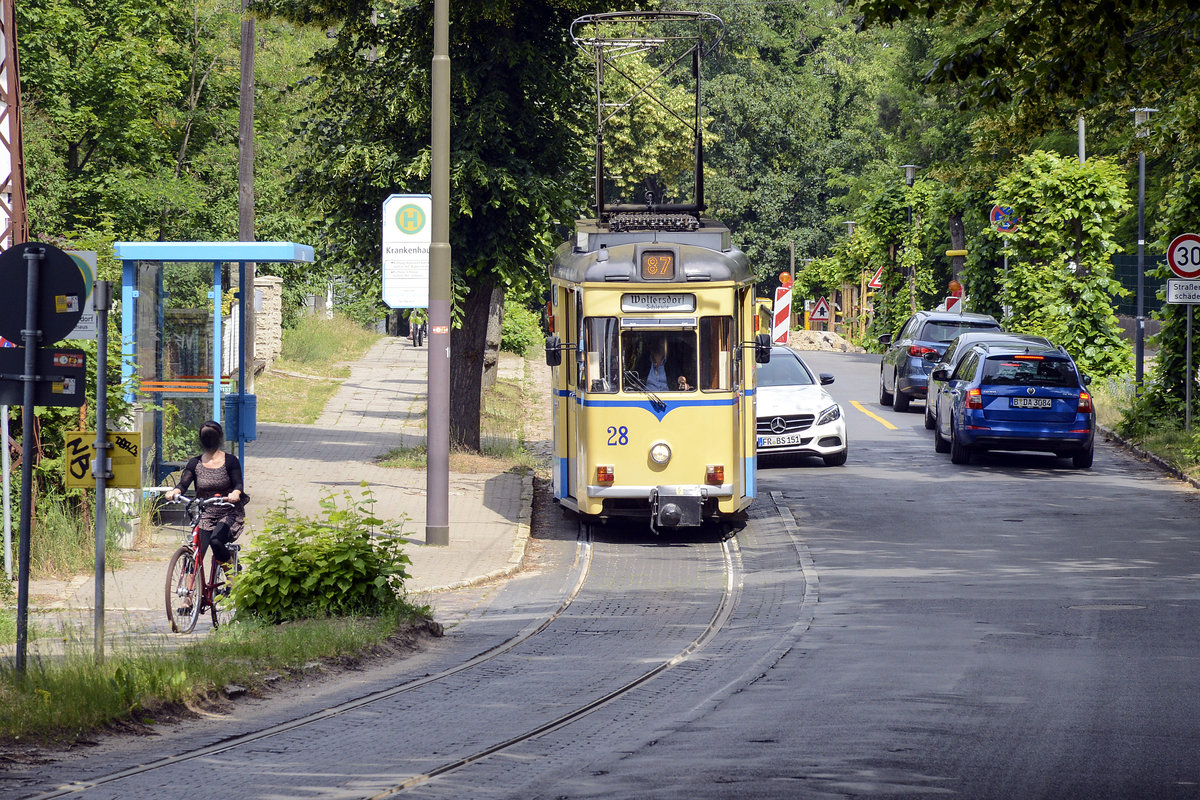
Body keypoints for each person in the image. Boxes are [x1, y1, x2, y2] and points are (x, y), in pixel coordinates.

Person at [164, 421, 246, 604]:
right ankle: (188, 597)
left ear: (218, 438)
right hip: (205, 512)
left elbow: (238, 483)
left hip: (228, 511)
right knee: (196, 550)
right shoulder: (195, 463)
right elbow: (183, 483)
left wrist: (235, 493)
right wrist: (175, 492)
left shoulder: (230, 461)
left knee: (217, 541)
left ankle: (232, 574)